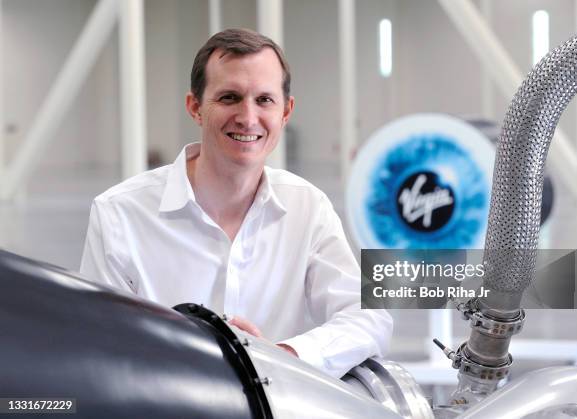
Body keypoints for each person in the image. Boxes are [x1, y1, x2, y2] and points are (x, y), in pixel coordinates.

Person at [80, 28, 392, 378]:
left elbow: (369, 316)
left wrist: (283, 355)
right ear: (195, 107)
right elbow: (99, 343)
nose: (247, 117)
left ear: (286, 112)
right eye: (229, 97)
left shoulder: (308, 207)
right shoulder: (119, 214)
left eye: (264, 100)